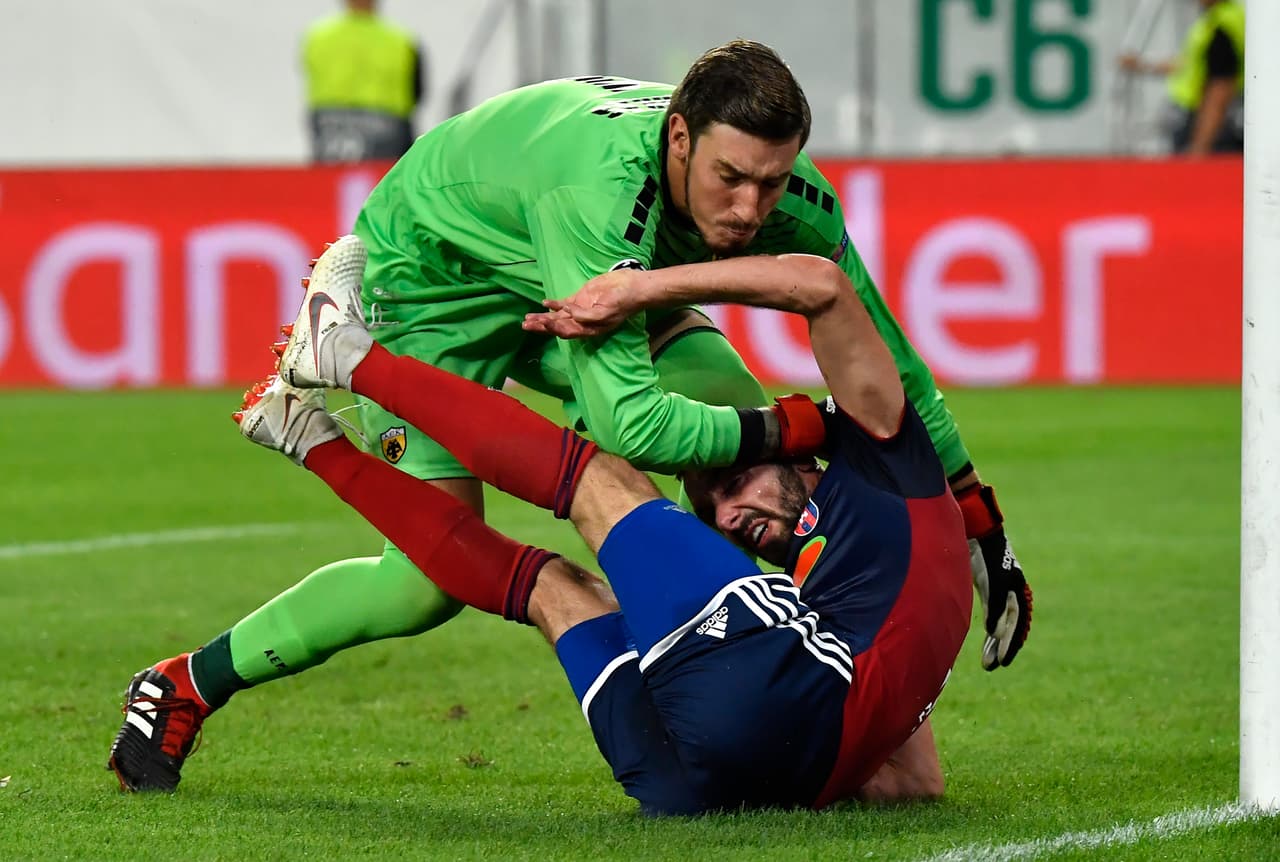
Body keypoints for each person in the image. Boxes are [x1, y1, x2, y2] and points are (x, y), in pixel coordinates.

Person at [106, 41, 1030, 792]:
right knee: (420, 586)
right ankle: (183, 682)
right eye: (729, 179)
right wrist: (795, 429)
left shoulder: (782, 190)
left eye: (772, 183)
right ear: (678, 138)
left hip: (586, 277)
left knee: (729, 445)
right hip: (438, 279)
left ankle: (813, 653)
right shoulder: (600, 197)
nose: (750, 209)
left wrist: (975, 520)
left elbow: (892, 364)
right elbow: (633, 430)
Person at [276, 236, 968, 811]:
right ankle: (304, 439)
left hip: (773, 697)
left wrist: (640, 289)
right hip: (700, 788)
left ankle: (342, 354)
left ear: (799, 454)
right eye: (717, 512)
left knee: (599, 481)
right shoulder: (867, 594)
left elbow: (821, 282)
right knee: (553, 590)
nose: (727, 517)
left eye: (731, 483)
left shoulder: (885, 447)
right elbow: (916, 783)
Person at [303, 0, 425, 162]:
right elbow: (417, 91)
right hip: (389, 132)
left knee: (330, 183)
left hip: (330, 128)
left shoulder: (317, 36)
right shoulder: (401, 39)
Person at [1118, 0, 1245, 156]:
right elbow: (1190, 65)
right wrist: (1144, 65)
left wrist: (1199, 148)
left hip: (1206, 125)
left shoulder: (1221, 28)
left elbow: (1219, 90)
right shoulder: (1221, 18)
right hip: (1207, 120)